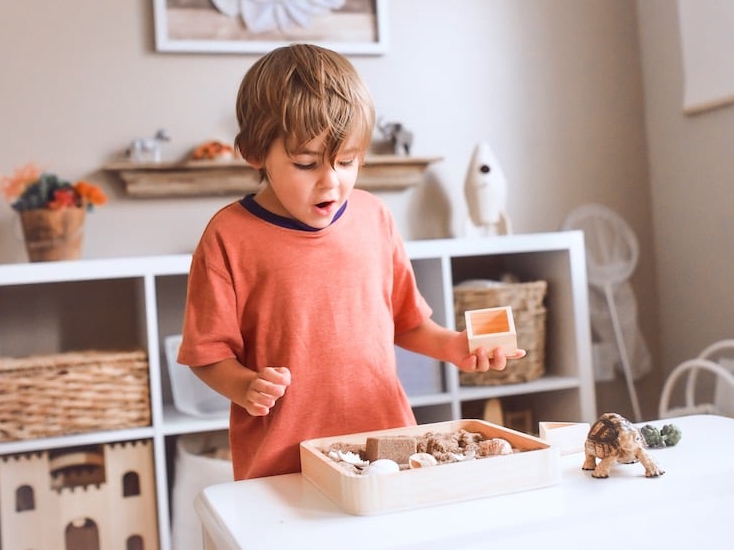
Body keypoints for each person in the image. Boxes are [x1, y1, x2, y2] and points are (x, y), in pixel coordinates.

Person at [178, 43, 525, 480]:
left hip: (388, 448)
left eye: (347, 162)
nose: (331, 181)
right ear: (254, 152)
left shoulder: (374, 217)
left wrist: (454, 347)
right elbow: (206, 353)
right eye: (306, 164)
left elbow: (407, 321)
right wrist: (244, 386)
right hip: (284, 463)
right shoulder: (228, 236)